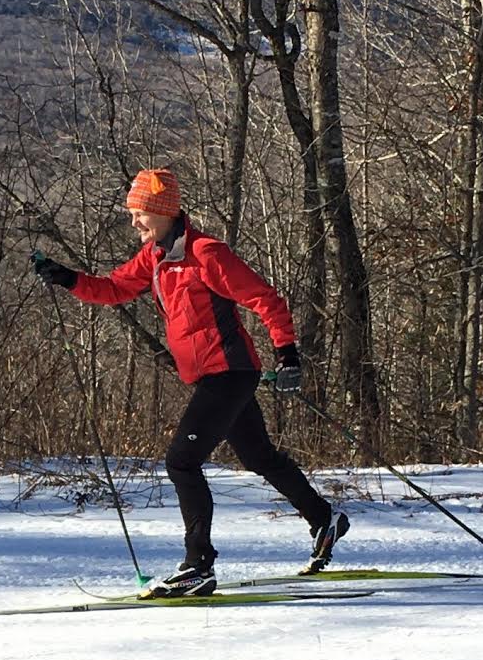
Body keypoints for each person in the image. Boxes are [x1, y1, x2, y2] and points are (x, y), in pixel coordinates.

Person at [32, 167, 348, 598]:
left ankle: (198, 564)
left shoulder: (206, 253)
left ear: (162, 212)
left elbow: (265, 298)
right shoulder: (157, 258)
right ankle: (323, 517)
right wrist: (67, 277)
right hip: (213, 375)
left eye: (139, 213)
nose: (134, 222)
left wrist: (287, 354)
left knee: (182, 461)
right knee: (258, 456)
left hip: (229, 372)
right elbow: (112, 289)